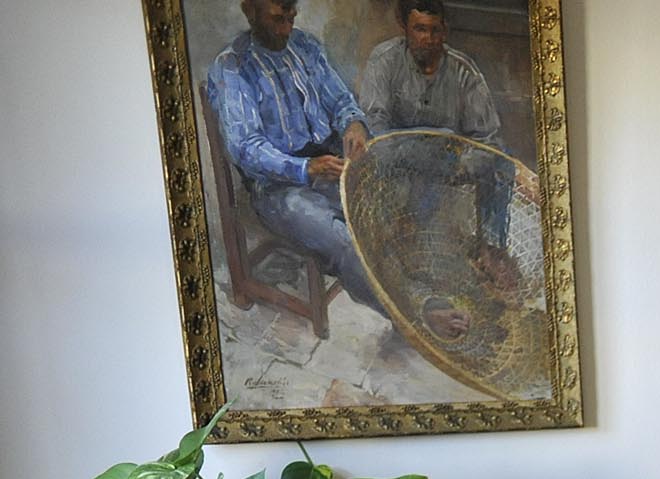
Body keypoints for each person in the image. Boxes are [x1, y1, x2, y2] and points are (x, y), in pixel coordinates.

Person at [205, 0, 387, 321]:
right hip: (277, 187)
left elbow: (341, 100)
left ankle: (409, 289)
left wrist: (353, 123)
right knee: (340, 238)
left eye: (291, 17)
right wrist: (305, 169)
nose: (286, 28)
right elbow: (245, 148)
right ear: (250, 11)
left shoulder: (305, 46)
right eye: (277, 19)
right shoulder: (233, 66)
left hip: (325, 161)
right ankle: (400, 313)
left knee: (382, 202)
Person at [356, 0, 504, 146]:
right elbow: (374, 124)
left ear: (444, 31)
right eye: (420, 29)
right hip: (396, 160)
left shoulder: (464, 72)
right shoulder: (384, 60)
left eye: (435, 30)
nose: (429, 39)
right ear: (405, 28)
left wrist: (464, 166)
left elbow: (486, 138)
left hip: (452, 164)